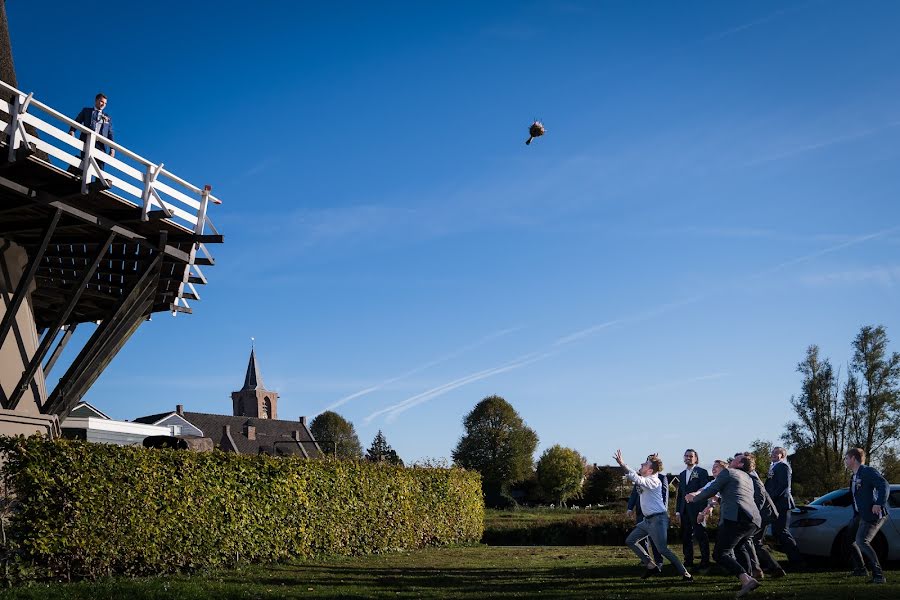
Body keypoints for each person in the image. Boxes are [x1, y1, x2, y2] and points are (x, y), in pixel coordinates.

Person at [613, 449, 693, 582]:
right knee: (630, 541)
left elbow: (635, 477)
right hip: (647, 521)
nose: (641, 464)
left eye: (645, 464)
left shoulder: (653, 481)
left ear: (650, 471)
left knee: (663, 550)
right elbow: (636, 478)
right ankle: (651, 565)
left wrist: (622, 464)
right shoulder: (646, 478)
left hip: (658, 519)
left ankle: (685, 574)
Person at [687, 458, 762, 597]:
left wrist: (694, 498)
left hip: (737, 519)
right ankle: (748, 579)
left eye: (735, 459)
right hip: (753, 520)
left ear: (740, 464)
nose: (731, 460)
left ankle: (747, 580)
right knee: (739, 548)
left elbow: (712, 489)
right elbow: (733, 495)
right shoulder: (747, 477)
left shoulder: (729, 472)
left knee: (720, 554)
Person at [733, 452, 786, 580]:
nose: (734, 463)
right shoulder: (746, 475)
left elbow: (760, 497)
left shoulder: (751, 476)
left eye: (737, 461)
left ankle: (764, 570)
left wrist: (751, 512)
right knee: (753, 542)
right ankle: (767, 569)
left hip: (763, 514)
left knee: (752, 541)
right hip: (762, 514)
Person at [844, 447, 889, 584]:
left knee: (862, 541)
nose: (845, 461)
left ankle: (879, 576)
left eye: (846, 458)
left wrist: (879, 503)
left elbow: (884, 484)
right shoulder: (854, 476)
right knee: (849, 539)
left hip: (873, 514)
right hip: (859, 514)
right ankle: (860, 569)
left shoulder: (867, 471)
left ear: (853, 458)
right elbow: (855, 496)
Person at [764, 446, 803, 565]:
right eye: (773, 452)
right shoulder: (774, 467)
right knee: (777, 532)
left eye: (777, 453)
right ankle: (791, 558)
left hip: (782, 503)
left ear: (783, 455)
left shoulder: (783, 466)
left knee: (782, 531)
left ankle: (797, 560)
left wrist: (770, 499)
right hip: (775, 503)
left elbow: (783, 486)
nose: (774, 454)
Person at [675, 448, 711, 569]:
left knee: (701, 535)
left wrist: (703, 510)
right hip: (684, 510)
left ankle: (705, 561)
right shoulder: (682, 474)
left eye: (691, 456)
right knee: (686, 536)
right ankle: (688, 560)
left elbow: (705, 491)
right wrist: (678, 511)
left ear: (696, 458)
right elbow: (680, 494)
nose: (688, 458)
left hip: (697, 509)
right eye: (686, 456)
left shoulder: (702, 472)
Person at [627, 481, 664, 569]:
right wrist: (630, 508)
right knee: (641, 539)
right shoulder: (639, 480)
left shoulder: (661, 478)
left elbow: (664, 496)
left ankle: (659, 561)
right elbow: (634, 494)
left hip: (653, 513)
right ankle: (647, 560)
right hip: (640, 513)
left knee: (654, 537)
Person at [69, 93, 115, 160]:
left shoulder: (108, 117)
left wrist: (112, 148)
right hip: (87, 140)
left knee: (99, 165)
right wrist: (72, 130)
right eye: (102, 101)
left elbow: (110, 133)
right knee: (85, 161)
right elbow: (78, 120)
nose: (103, 105)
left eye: (105, 103)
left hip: (101, 145)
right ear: (96, 100)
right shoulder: (86, 111)